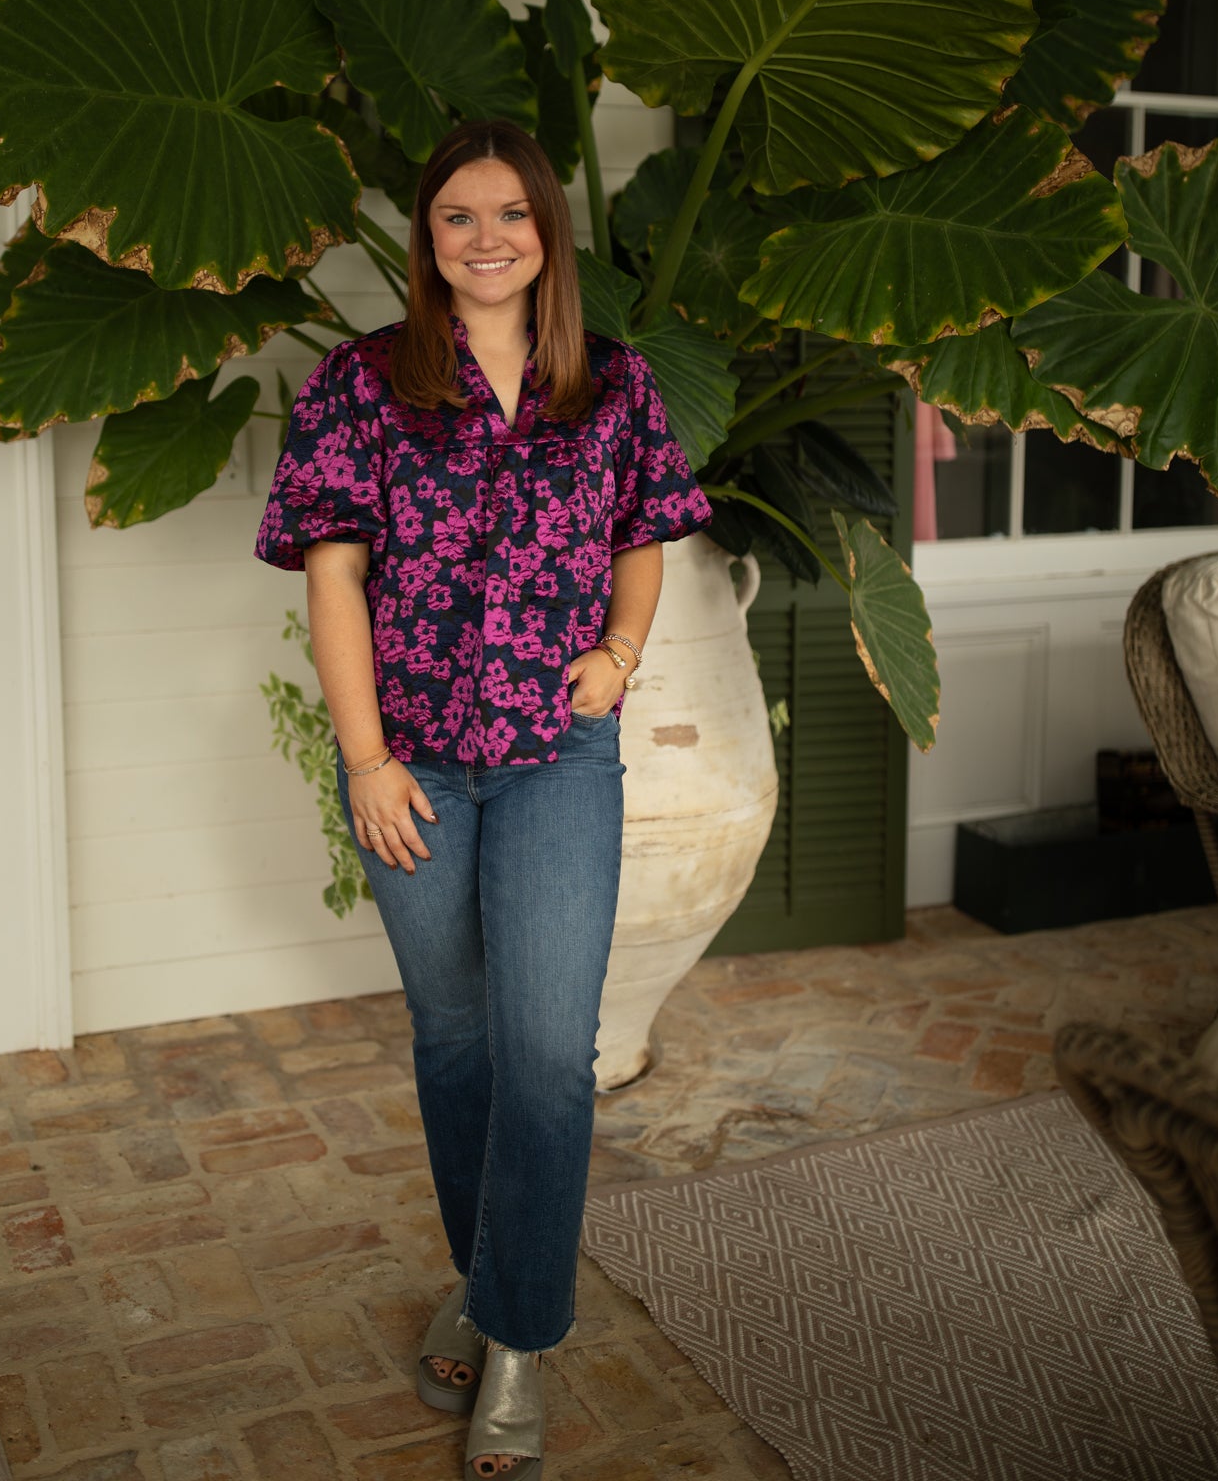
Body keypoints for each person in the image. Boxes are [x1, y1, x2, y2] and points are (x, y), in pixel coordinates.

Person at [254, 119, 713, 1478]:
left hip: (556, 759)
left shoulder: (613, 386)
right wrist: (367, 760)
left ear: (547, 231)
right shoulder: (357, 385)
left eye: (510, 213)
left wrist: (617, 659)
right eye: (458, 216)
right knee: (454, 1042)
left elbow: (644, 541)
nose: (486, 238)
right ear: (427, 237)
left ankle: (518, 1334)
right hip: (413, 764)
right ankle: (486, 1275)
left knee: (549, 1055)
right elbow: (331, 577)